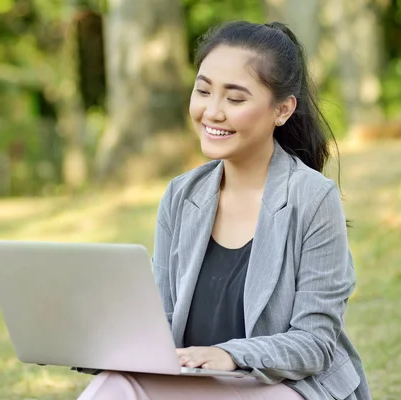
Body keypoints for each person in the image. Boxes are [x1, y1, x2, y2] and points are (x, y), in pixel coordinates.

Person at [77, 20, 371, 400]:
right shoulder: (181, 196)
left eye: (234, 99)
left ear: (282, 110)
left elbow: (315, 344)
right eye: (203, 91)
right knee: (111, 385)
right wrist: (113, 347)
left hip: (281, 386)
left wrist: (230, 355)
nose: (212, 112)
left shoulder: (312, 198)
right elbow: (162, 321)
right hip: (196, 384)